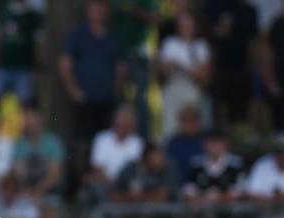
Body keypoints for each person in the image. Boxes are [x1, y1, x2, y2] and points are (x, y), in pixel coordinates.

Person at [59, 0, 126, 148]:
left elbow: (121, 66)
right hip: (84, 101)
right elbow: (65, 64)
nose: (98, 10)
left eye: (102, 6)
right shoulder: (77, 35)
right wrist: (74, 91)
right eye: (94, 6)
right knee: (82, 143)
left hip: (107, 101)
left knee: (106, 144)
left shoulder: (113, 37)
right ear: (88, 9)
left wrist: (115, 91)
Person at [111, 0, 161, 139]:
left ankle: (144, 142)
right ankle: (117, 140)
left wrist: (132, 10)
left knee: (142, 101)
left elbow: (156, 19)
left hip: (140, 57)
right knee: (118, 99)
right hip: (116, 57)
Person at [158, 11, 212, 140]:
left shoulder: (201, 46)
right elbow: (160, 73)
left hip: (192, 90)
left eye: (188, 23)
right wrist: (165, 68)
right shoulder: (169, 43)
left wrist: (180, 66)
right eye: (182, 24)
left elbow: (204, 78)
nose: (185, 27)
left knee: (191, 127)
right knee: (169, 128)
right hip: (172, 89)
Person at [205, 0, 259, 128]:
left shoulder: (249, 10)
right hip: (218, 71)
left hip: (242, 71)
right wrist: (216, 31)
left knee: (240, 117)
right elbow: (203, 36)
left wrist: (254, 69)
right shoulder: (212, 5)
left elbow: (254, 42)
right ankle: (218, 144)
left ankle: (239, 146)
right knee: (216, 114)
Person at [0, 0, 43, 105]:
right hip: (2, 67)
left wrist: (38, 68)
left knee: (24, 104)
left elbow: (38, 45)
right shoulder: (2, 11)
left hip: (25, 69)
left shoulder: (34, 16)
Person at [88, 106, 144, 204]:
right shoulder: (102, 139)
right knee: (97, 186)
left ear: (133, 124)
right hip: (106, 183)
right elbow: (97, 168)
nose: (124, 125)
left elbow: (137, 170)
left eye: (127, 122)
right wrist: (112, 187)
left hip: (128, 185)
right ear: (115, 122)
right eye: (122, 121)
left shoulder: (138, 142)